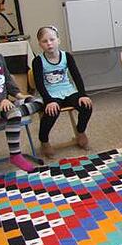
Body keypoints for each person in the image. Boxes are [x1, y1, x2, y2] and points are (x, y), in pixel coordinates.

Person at [32, 26, 92, 157]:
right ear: (40, 44)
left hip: (67, 91)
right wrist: (48, 101)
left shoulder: (67, 56)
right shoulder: (38, 61)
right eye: (44, 41)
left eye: (52, 39)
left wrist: (82, 95)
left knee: (87, 106)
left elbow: (76, 76)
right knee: (52, 112)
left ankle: (80, 132)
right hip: (50, 94)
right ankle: (44, 141)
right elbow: (39, 84)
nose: (49, 43)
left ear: (58, 40)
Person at [0, 37, 43, 171]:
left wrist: (20, 95)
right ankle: (15, 155)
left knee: (39, 101)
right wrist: (0, 100)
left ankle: (10, 115)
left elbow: (8, 81)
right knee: (14, 113)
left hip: (4, 104)